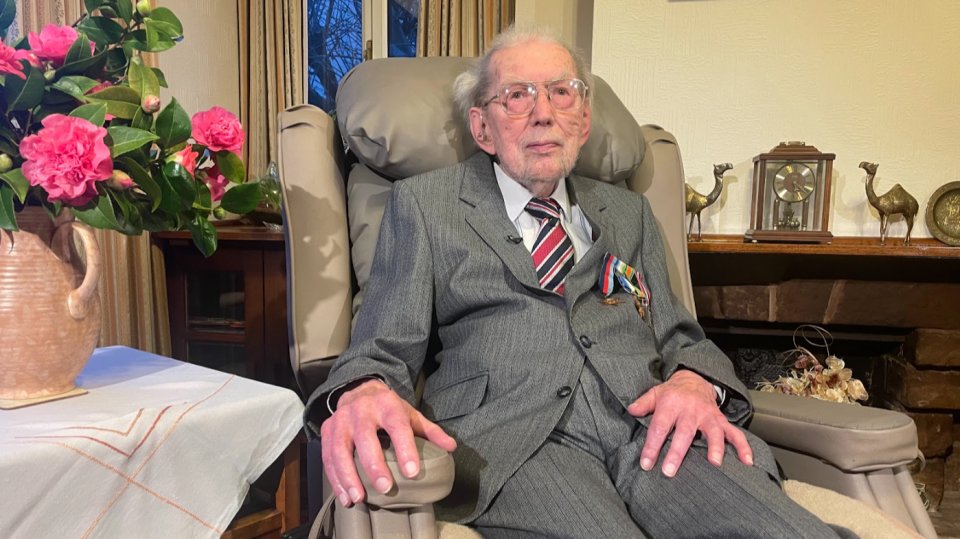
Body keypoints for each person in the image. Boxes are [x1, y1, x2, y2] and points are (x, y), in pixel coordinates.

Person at [304, 26, 856, 539]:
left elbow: (681, 337)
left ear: (584, 120)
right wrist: (363, 390)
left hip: (652, 427)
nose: (543, 113)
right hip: (515, 440)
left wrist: (693, 382)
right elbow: (380, 344)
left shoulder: (627, 213)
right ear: (482, 127)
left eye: (562, 93)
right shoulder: (426, 206)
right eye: (517, 95)